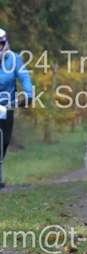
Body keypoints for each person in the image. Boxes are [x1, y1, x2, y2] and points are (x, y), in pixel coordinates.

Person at [0, 28, 33, 189]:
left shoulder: (14, 59)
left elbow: (24, 77)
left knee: (4, 141)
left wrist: (28, 95)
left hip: (7, 105)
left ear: (5, 44)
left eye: (0, 44)